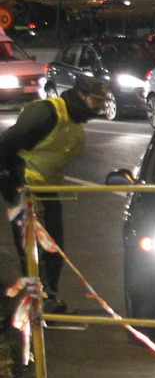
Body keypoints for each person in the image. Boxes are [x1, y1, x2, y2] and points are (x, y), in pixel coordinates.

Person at [0, 76, 109, 313]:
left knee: (53, 246)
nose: (100, 107)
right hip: (24, 189)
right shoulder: (47, 113)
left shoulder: (74, 122)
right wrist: (8, 176)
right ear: (81, 95)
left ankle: (49, 297)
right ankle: (38, 302)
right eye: (97, 101)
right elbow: (7, 142)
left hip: (47, 190)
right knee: (31, 249)